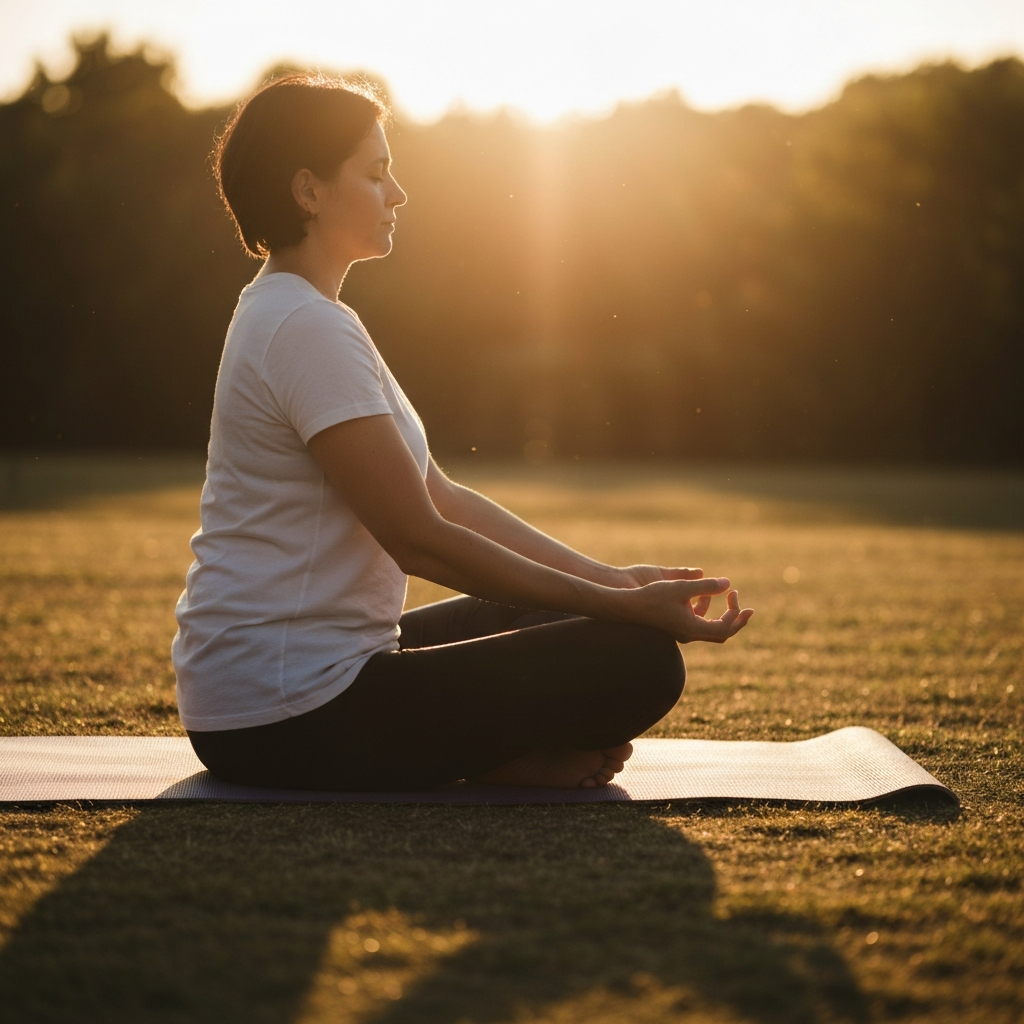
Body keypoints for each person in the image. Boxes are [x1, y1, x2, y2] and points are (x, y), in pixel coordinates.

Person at [172, 73, 753, 793]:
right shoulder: (303, 326)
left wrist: (609, 578)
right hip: (287, 713)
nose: (398, 194)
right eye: (377, 173)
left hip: (300, 684)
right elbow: (417, 536)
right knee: (639, 659)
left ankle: (493, 754)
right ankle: (496, 761)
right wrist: (617, 607)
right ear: (308, 191)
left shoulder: (308, 314)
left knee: (566, 612)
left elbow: (440, 496)